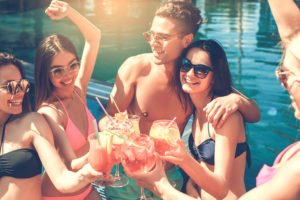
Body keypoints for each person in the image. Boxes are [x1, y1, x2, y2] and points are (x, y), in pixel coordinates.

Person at [126, 0, 300, 199]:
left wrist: (180, 162)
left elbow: (221, 188)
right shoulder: (193, 101)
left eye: (201, 70)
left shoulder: (225, 114)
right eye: (186, 65)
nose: (190, 73)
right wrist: (192, 186)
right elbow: (204, 163)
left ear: (214, 77)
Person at [99, 1, 259, 199]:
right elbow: (106, 118)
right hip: (130, 177)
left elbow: (254, 113)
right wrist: (117, 130)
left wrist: (236, 100)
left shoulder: (193, 77)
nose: (154, 42)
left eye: (163, 37)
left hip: (169, 178)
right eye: (151, 35)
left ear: (187, 40)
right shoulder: (136, 68)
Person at [0, 52, 101, 200]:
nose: (20, 92)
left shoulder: (31, 123)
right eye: (10, 87)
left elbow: (61, 179)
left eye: (22, 84)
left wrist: (85, 176)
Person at [34, 1, 101, 199]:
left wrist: (69, 11)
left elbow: (94, 37)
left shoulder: (79, 91)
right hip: (59, 195)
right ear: (45, 74)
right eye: (57, 71)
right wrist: (106, 148)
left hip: (87, 187)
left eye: (73, 65)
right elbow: (72, 164)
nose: (68, 75)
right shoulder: (50, 112)